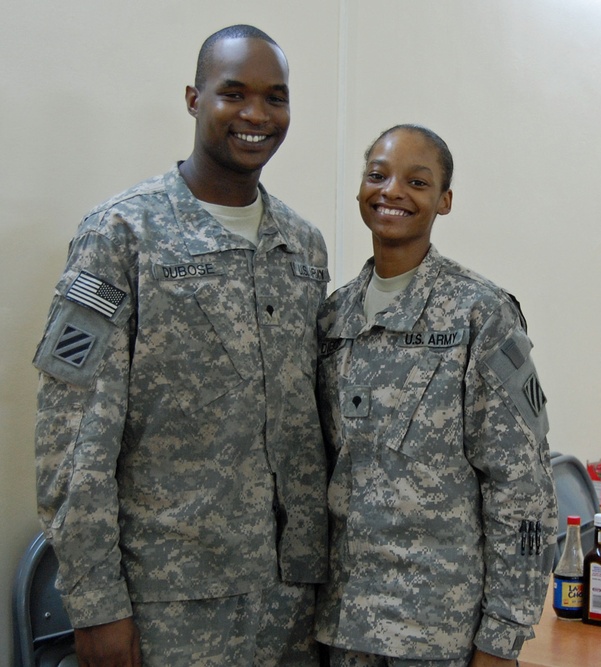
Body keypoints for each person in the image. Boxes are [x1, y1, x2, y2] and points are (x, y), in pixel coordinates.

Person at [33, 24, 329, 667]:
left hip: (295, 604)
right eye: (234, 94)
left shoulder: (303, 247)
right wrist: (97, 608)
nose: (256, 115)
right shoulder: (120, 233)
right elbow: (73, 440)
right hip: (170, 605)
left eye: (275, 97)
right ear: (194, 100)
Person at [315, 124, 557, 667]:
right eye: (377, 176)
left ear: (444, 201)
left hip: (439, 635)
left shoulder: (480, 315)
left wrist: (503, 634)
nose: (392, 191)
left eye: (417, 182)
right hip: (340, 627)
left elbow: (522, 487)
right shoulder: (333, 318)